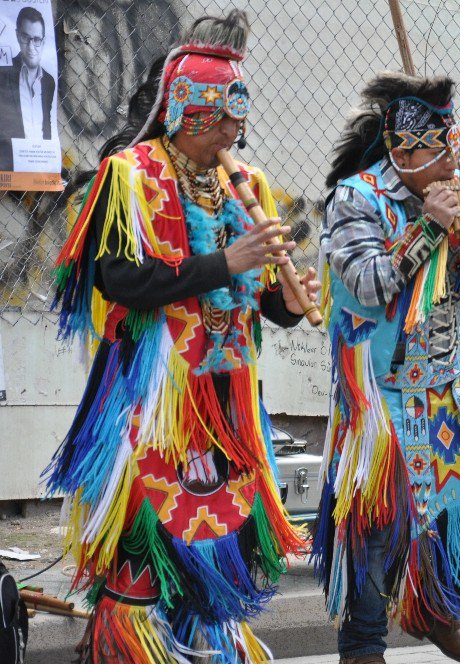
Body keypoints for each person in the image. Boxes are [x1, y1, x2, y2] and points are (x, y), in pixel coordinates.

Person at [46, 11, 316, 661]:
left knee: (213, 534)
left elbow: (263, 313)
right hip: (153, 395)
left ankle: (200, 642)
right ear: (186, 114)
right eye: (222, 118)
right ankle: (127, 646)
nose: (234, 131)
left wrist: (282, 293)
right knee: (147, 528)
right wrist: (226, 263)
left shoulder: (245, 186)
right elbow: (119, 280)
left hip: (225, 400)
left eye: (237, 118)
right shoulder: (129, 175)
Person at [313, 72, 460, 664]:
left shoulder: (452, 186)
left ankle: (437, 612)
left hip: (452, 381)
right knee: (377, 518)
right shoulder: (356, 198)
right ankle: (362, 646)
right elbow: (367, 283)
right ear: (402, 152)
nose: (453, 165)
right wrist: (427, 225)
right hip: (381, 390)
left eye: (454, 150)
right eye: (441, 152)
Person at [0, 6, 57, 170]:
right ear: (18, 36)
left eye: (37, 39)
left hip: (40, 165)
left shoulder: (48, 81)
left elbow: (47, 125)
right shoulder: (4, 74)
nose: (32, 46)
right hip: (10, 165)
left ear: (43, 41)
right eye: (26, 37)